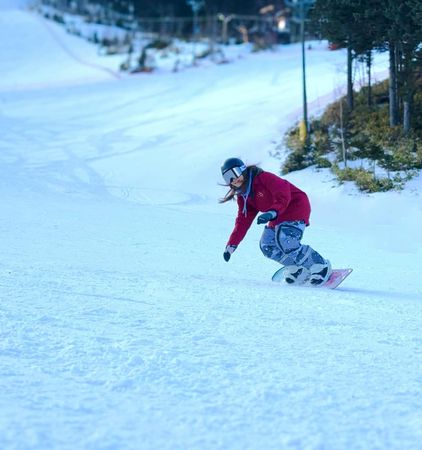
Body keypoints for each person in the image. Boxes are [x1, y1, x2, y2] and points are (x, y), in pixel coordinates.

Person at [219, 157, 332, 286]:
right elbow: (242, 221)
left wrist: (273, 212)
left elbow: (283, 192)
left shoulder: (263, 178)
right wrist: (232, 244)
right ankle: (297, 269)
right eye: (228, 177)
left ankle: (320, 266)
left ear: (243, 169)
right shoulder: (244, 197)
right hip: (276, 215)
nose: (234, 179)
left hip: (295, 206)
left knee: (286, 241)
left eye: (235, 172)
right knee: (267, 245)